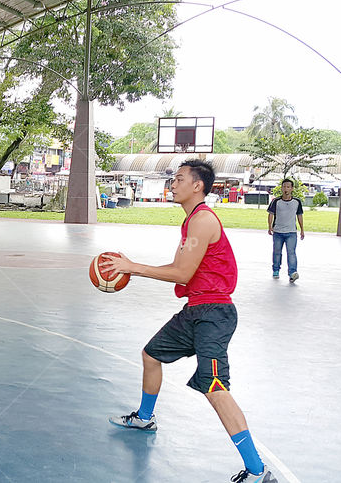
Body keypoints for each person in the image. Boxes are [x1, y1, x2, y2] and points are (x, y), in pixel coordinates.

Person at [104, 159, 277, 483]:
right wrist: (138, 268)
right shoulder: (191, 223)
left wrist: (132, 267)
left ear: (198, 185)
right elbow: (181, 267)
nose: (173, 184)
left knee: (214, 386)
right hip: (196, 310)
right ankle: (144, 418)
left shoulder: (202, 220)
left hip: (214, 314)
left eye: (179, 179)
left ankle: (258, 471)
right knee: (151, 354)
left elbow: (181, 273)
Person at [267, 179, 305, 283]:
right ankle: (276, 270)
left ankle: (292, 273)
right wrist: (270, 227)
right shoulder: (276, 201)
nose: (286, 189)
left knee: (291, 252)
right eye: (284, 187)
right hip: (278, 231)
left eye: (288, 187)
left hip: (291, 232)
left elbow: (299, 216)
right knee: (277, 252)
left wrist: (302, 229)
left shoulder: (296, 202)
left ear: (292, 189)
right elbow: (271, 214)